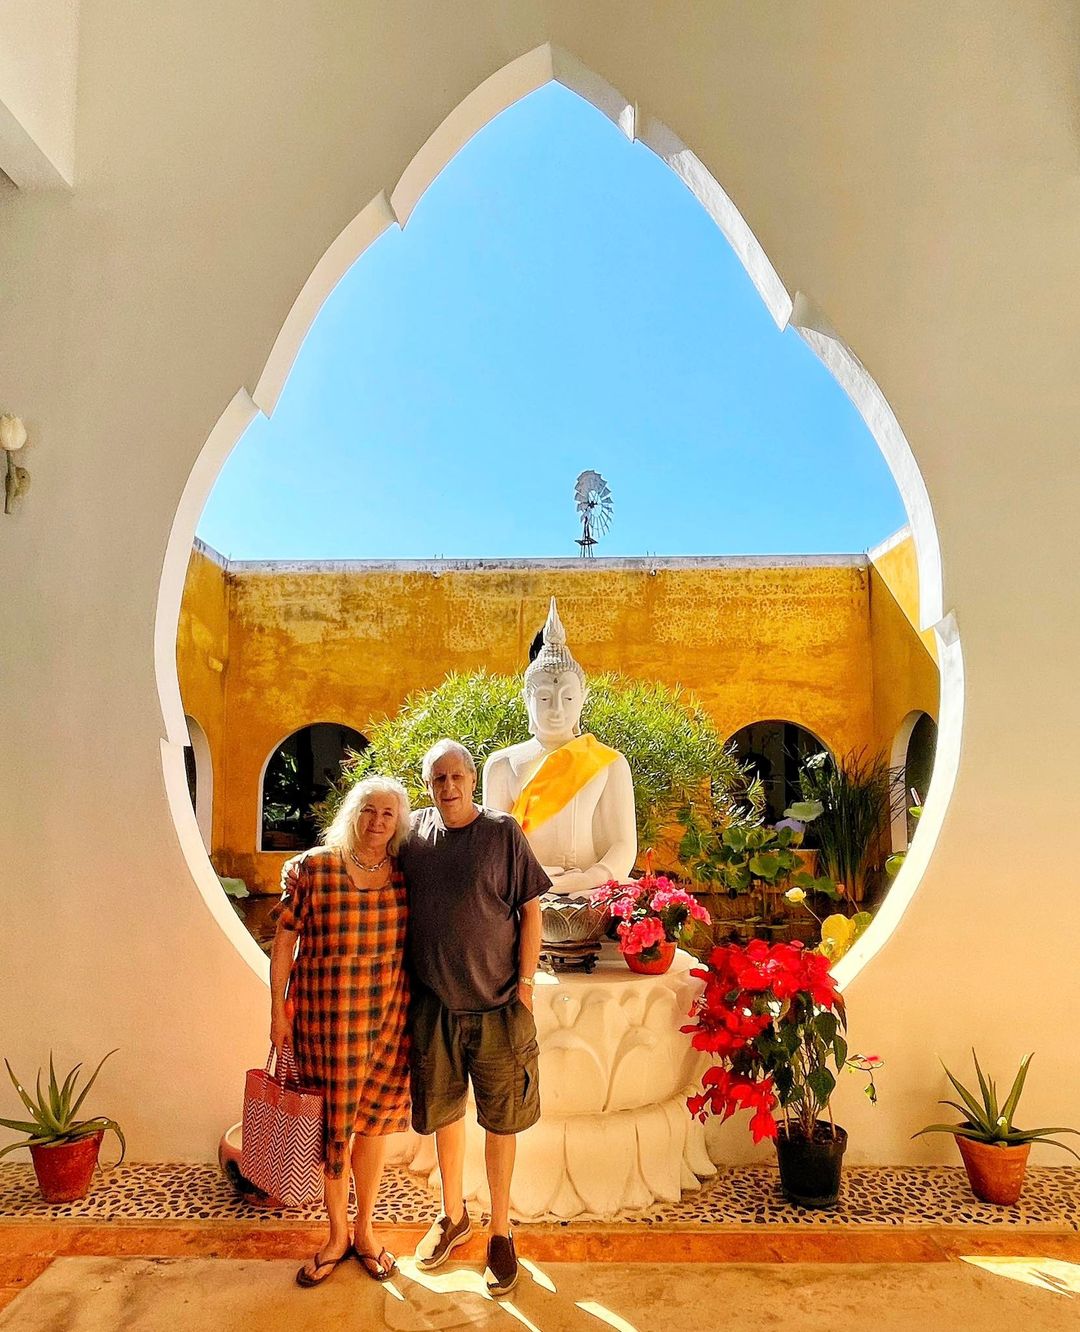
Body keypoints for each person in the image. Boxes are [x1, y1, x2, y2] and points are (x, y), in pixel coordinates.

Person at [400, 738, 548, 1296]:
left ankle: (500, 1231)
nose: (449, 787)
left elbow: (531, 910)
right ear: (428, 786)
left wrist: (526, 986)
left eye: (457, 776)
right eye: (438, 779)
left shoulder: (502, 833)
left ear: (472, 779)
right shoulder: (415, 837)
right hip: (435, 1008)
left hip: (498, 1007)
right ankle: (453, 1214)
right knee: (444, 1115)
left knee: (501, 1121)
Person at [269, 775, 412, 1288]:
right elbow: (284, 941)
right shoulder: (315, 868)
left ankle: (366, 1231)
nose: (377, 821)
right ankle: (336, 1235)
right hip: (326, 1023)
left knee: (373, 1126)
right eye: (368, 810)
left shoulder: (407, 874)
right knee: (333, 1128)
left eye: (388, 813)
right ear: (352, 813)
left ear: (398, 824)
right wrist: (277, 1011)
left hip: (389, 1020)